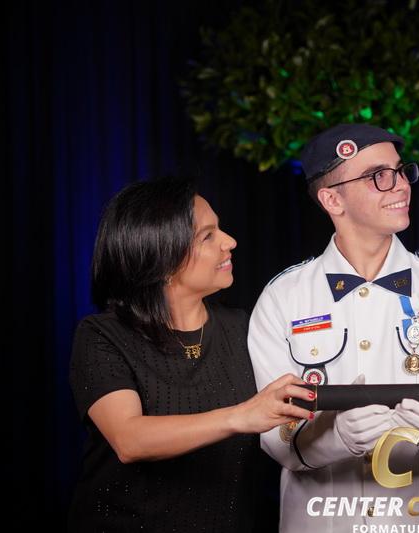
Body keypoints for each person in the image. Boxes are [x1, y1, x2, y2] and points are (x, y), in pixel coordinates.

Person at [248, 124, 419, 532]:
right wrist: (333, 436)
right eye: (378, 176)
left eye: (400, 170)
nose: (401, 185)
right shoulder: (283, 296)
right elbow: (271, 430)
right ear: (332, 199)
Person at [68, 178, 313, 532]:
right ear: (162, 256)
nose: (230, 242)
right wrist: (241, 416)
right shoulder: (102, 336)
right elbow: (129, 439)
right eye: (207, 236)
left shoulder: (242, 328)